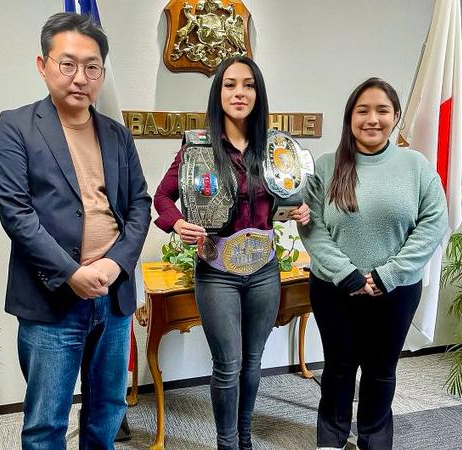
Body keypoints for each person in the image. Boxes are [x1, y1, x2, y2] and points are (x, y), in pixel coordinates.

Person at [0, 12, 151, 449]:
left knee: (108, 412)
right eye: (68, 64)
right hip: (53, 298)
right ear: (43, 66)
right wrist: (71, 274)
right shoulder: (16, 126)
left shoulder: (117, 134)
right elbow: (16, 214)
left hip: (113, 298)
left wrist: (116, 264)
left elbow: (140, 204)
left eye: (92, 66)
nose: (81, 77)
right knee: (46, 422)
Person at [153, 55, 309, 450]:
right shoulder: (198, 144)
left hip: (264, 268)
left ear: (258, 93)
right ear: (217, 92)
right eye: (230, 85)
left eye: (248, 85)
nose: (239, 93)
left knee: (253, 363)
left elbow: (290, 197)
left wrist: (298, 207)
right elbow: (163, 196)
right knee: (227, 366)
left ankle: (244, 438)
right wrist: (176, 223)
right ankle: (226, 444)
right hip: (217, 268)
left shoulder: (274, 147)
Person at [298, 77, 447, 450]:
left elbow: (433, 224)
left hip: (396, 291)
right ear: (350, 117)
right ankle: (330, 440)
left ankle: (374, 440)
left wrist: (388, 274)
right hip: (334, 289)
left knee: (381, 373)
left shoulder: (416, 166)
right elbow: (311, 225)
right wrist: (346, 273)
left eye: (382, 110)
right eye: (362, 110)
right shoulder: (328, 165)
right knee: (338, 369)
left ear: (395, 116)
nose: (372, 118)